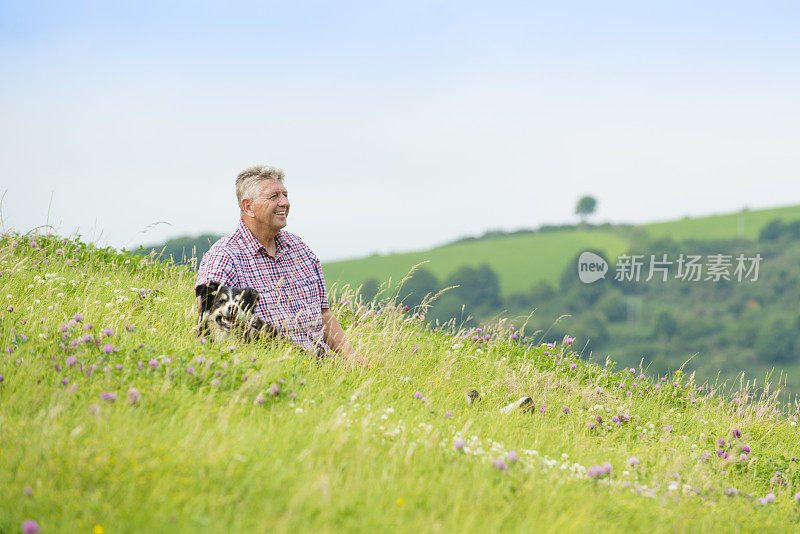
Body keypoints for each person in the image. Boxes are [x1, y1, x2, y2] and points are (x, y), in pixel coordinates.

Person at [195, 165, 354, 357]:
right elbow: (211, 324)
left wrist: (353, 358)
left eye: (285, 195)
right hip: (271, 368)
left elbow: (323, 315)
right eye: (274, 197)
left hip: (322, 365)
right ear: (248, 207)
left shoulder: (300, 248)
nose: (284, 202)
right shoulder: (225, 257)